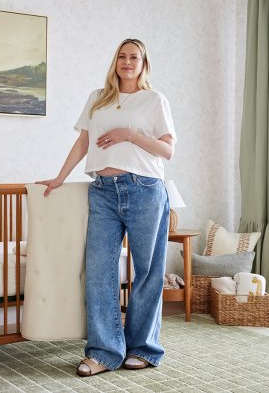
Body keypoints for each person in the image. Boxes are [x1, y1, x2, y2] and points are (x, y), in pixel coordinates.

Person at [37, 38, 176, 376]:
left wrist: (129, 134)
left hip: (144, 189)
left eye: (135, 57)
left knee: (147, 272)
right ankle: (103, 352)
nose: (127, 62)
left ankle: (143, 348)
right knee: (99, 270)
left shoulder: (154, 100)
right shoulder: (97, 99)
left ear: (144, 64)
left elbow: (167, 150)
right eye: (122, 56)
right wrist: (59, 177)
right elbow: (83, 142)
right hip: (102, 191)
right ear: (115, 61)